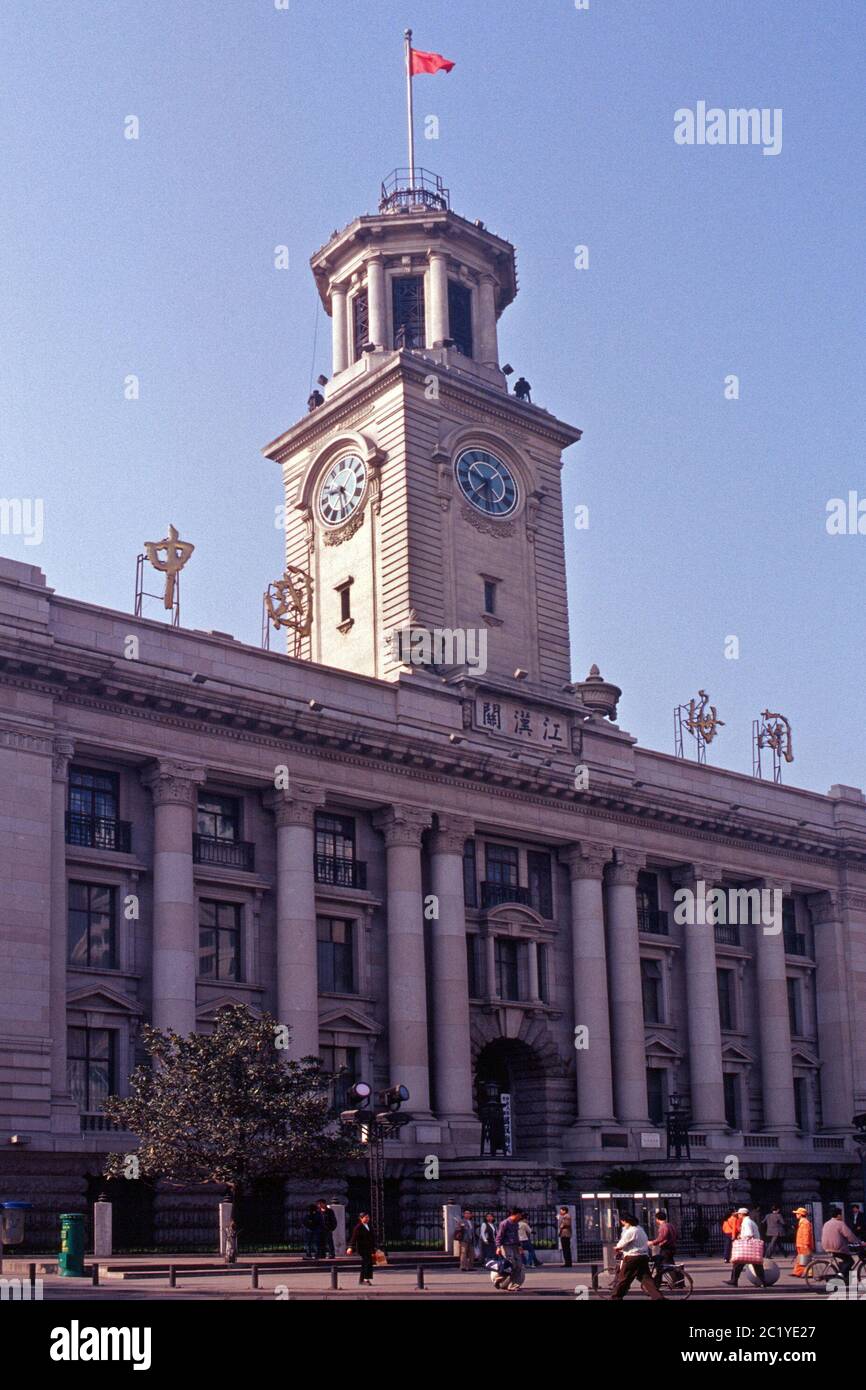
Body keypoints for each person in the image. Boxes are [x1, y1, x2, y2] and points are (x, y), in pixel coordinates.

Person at [609, 1213, 664, 1300]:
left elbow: (621, 1244)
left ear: (627, 1222)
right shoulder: (640, 1229)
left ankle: (615, 1297)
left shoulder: (631, 1231)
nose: (623, 1225)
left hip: (632, 1257)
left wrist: (616, 1248)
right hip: (643, 1256)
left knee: (623, 1278)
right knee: (646, 1279)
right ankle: (658, 1298)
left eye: (623, 1223)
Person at [726, 1208, 767, 1287]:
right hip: (753, 1246)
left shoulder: (746, 1222)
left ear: (742, 1214)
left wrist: (740, 1237)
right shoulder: (750, 1221)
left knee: (738, 1264)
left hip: (749, 1247)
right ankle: (763, 1282)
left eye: (738, 1214)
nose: (738, 1215)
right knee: (757, 1265)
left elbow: (749, 1234)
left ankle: (734, 1281)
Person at [821, 1207, 860, 1282]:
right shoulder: (840, 1223)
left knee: (845, 1260)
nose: (842, 1216)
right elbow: (849, 1235)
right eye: (841, 1214)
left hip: (826, 1246)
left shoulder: (826, 1223)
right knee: (850, 1261)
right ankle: (840, 1275)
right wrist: (858, 1242)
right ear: (838, 1215)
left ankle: (846, 1279)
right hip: (837, 1247)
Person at [495, 1209, 525, 1290]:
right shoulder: (504, 1223)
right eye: (520, 1215)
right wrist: (498, 1247)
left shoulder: (516, 1223)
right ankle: (500, 1278)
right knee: (511, 1265)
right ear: (516, 1214)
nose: (521, 1217)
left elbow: (516, 1236)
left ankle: (513, 1285)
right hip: (506, 1246)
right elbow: (499, 1236)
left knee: (519, 1265)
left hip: (515, 1246)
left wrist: (519, 1246)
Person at [648, 1208, 678, 1286]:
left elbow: (662, 1238)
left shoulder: (663, 1227)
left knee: (665, 1265)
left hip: (666, 1248)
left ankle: (675, 1281)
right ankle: (658, 1280)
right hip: (672, 1247)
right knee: (666, 1264)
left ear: (657, 1219)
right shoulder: (670, 1225)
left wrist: (652, 1242)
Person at [347, 1212, 376, 1286]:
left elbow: (373, 1237)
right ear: (361, 1218)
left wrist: (375, 1246)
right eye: (365, 1217)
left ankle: (362, 1279)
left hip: (369, 1248)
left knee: (367, 1263)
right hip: (362, 1248)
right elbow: (354, 1238)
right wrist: (350, 1247)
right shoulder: (358, 1227)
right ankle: (365, 1279)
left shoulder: (369, 1226)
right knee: (367, 1262)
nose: (367, 1219)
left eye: (368, 1217)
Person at [791, 1207, 814, 1278]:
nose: (796, 1215)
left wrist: (806, 1244)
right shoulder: (802, 1222)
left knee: (806, 1258)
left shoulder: (805, 1223)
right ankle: (798, 1272)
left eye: (797, 1213)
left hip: (804, 1244)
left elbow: (806, 1234)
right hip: (801, 1243)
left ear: (800, 1214)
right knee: (801, 1258)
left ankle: (809, 1273)